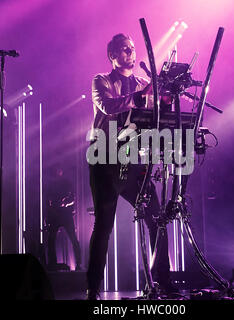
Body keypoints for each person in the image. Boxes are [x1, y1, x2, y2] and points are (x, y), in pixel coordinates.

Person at [86, 33, 172, 300]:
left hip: (134, 159)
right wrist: (141, 96)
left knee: (157, 219)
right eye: (124, 50)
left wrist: (166, 99)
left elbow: (155, 113)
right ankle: (93, 288)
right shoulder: (101, 80)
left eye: (133, 49)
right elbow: (109, 105)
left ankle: (162, 284)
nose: (130, 53)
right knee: (104, 224)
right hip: (105, 156)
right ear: (112, 55)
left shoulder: (143, 83)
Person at [44, 165, 82, 271]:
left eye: (58, 170)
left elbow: (73, 198)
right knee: (52, 239)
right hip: (57, 215)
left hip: (64, 214)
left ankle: (78, 263)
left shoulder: (66, 183)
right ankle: (53, 263)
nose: (57, 172)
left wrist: (65, 204)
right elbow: (47, 200)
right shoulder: (52, 185)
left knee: (72, 239)